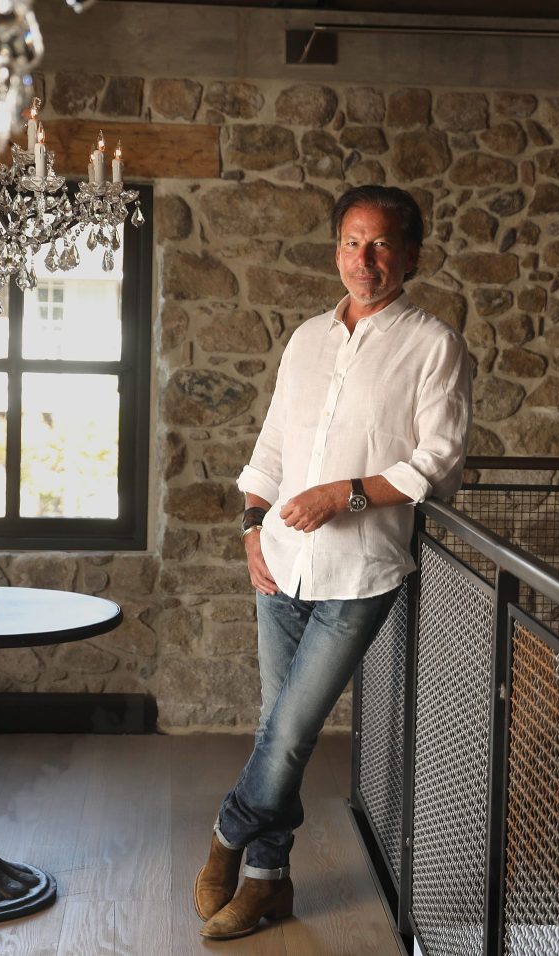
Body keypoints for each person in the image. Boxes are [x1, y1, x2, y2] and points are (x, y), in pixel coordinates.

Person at [193, 185, 474, 940]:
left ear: (411, 254)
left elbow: (438, 463)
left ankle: (227, 832)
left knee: (289, 734)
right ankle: (267, 881)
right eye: (353, 242)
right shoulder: (307, 338)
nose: (365, 259)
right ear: (336, 249)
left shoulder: (433, 344)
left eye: (382, 244)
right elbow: (272, 447)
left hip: (363, 572)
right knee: (274, 727)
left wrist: (344, 495)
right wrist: (253, 528)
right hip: (278, 565)